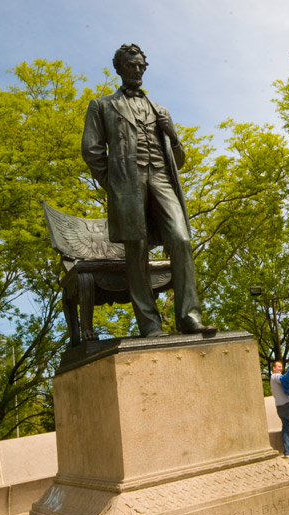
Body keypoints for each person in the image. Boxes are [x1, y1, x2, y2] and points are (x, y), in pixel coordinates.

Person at [81, 44, 215, 338]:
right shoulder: (102, 105)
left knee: (181, 240)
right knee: (137, 251)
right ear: (119, 68)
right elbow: (91, 151)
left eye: (142, 65)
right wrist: (115, 183)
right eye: (132, 65)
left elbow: (178, 162)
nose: (138, 70)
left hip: (162, 180)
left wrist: (173, 135)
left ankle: (189, 317)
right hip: (127, 183)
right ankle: (150, 325)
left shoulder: (161, 110)